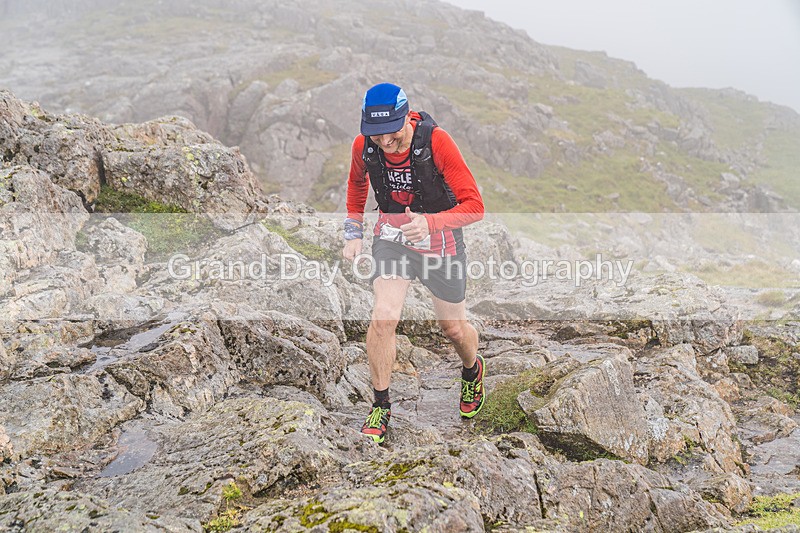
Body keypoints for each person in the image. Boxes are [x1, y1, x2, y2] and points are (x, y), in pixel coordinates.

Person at [342, 82, 486, 443]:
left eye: (390, 133)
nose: (384, 142)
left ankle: (472, 370)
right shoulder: (365, 146)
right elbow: (357, 185)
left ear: (406, 116)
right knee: (383, 317)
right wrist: (353, 230)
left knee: (453, 329)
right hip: (393, 238)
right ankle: (381, 405)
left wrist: (431, 221)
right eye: (375, 135)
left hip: (440, 238)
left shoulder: (437, 142)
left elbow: (475, 207)